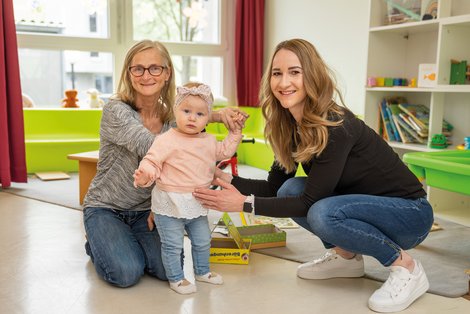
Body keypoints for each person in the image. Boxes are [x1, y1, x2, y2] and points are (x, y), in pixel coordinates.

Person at [193, 38, 434, 313]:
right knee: (289, 190)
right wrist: (224, 178)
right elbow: (275, 189)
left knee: (322, 211)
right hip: (362, 208)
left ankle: (406, 268)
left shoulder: (336, 125)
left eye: (295, 72)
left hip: (410, 215)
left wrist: (243, 203)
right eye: (277, 73)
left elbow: (310, 203)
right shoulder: (289, 126)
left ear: (313, 75)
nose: (284, 83)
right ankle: (346, 258)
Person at [82, 40, 247, 288]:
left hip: (147, 210)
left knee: (165, 269)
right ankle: (97, 240)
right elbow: (154, 146)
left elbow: (185, 127)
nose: (146, 75)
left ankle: (120, 243)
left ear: (167, 72)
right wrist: (212, 115)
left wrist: (216, 115)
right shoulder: (116, 110)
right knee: (126, 273)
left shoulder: (173, 119)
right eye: (138, 69)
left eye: (154, 68)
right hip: (106, 207)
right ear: (129, 73)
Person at [133, 82, 244, 294]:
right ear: (175, 111)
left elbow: (225, 151)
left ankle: (202, 271)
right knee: (173, 245)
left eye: (200, 114)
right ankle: (176, 278)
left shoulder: (209, 140)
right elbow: (152, 160)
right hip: (170, 203)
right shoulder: (166, 139)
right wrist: (145, 173)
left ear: (208, 117)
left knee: (203, 240)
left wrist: (235, 133)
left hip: (197, 201)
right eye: (186, 111)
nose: (192, 118)